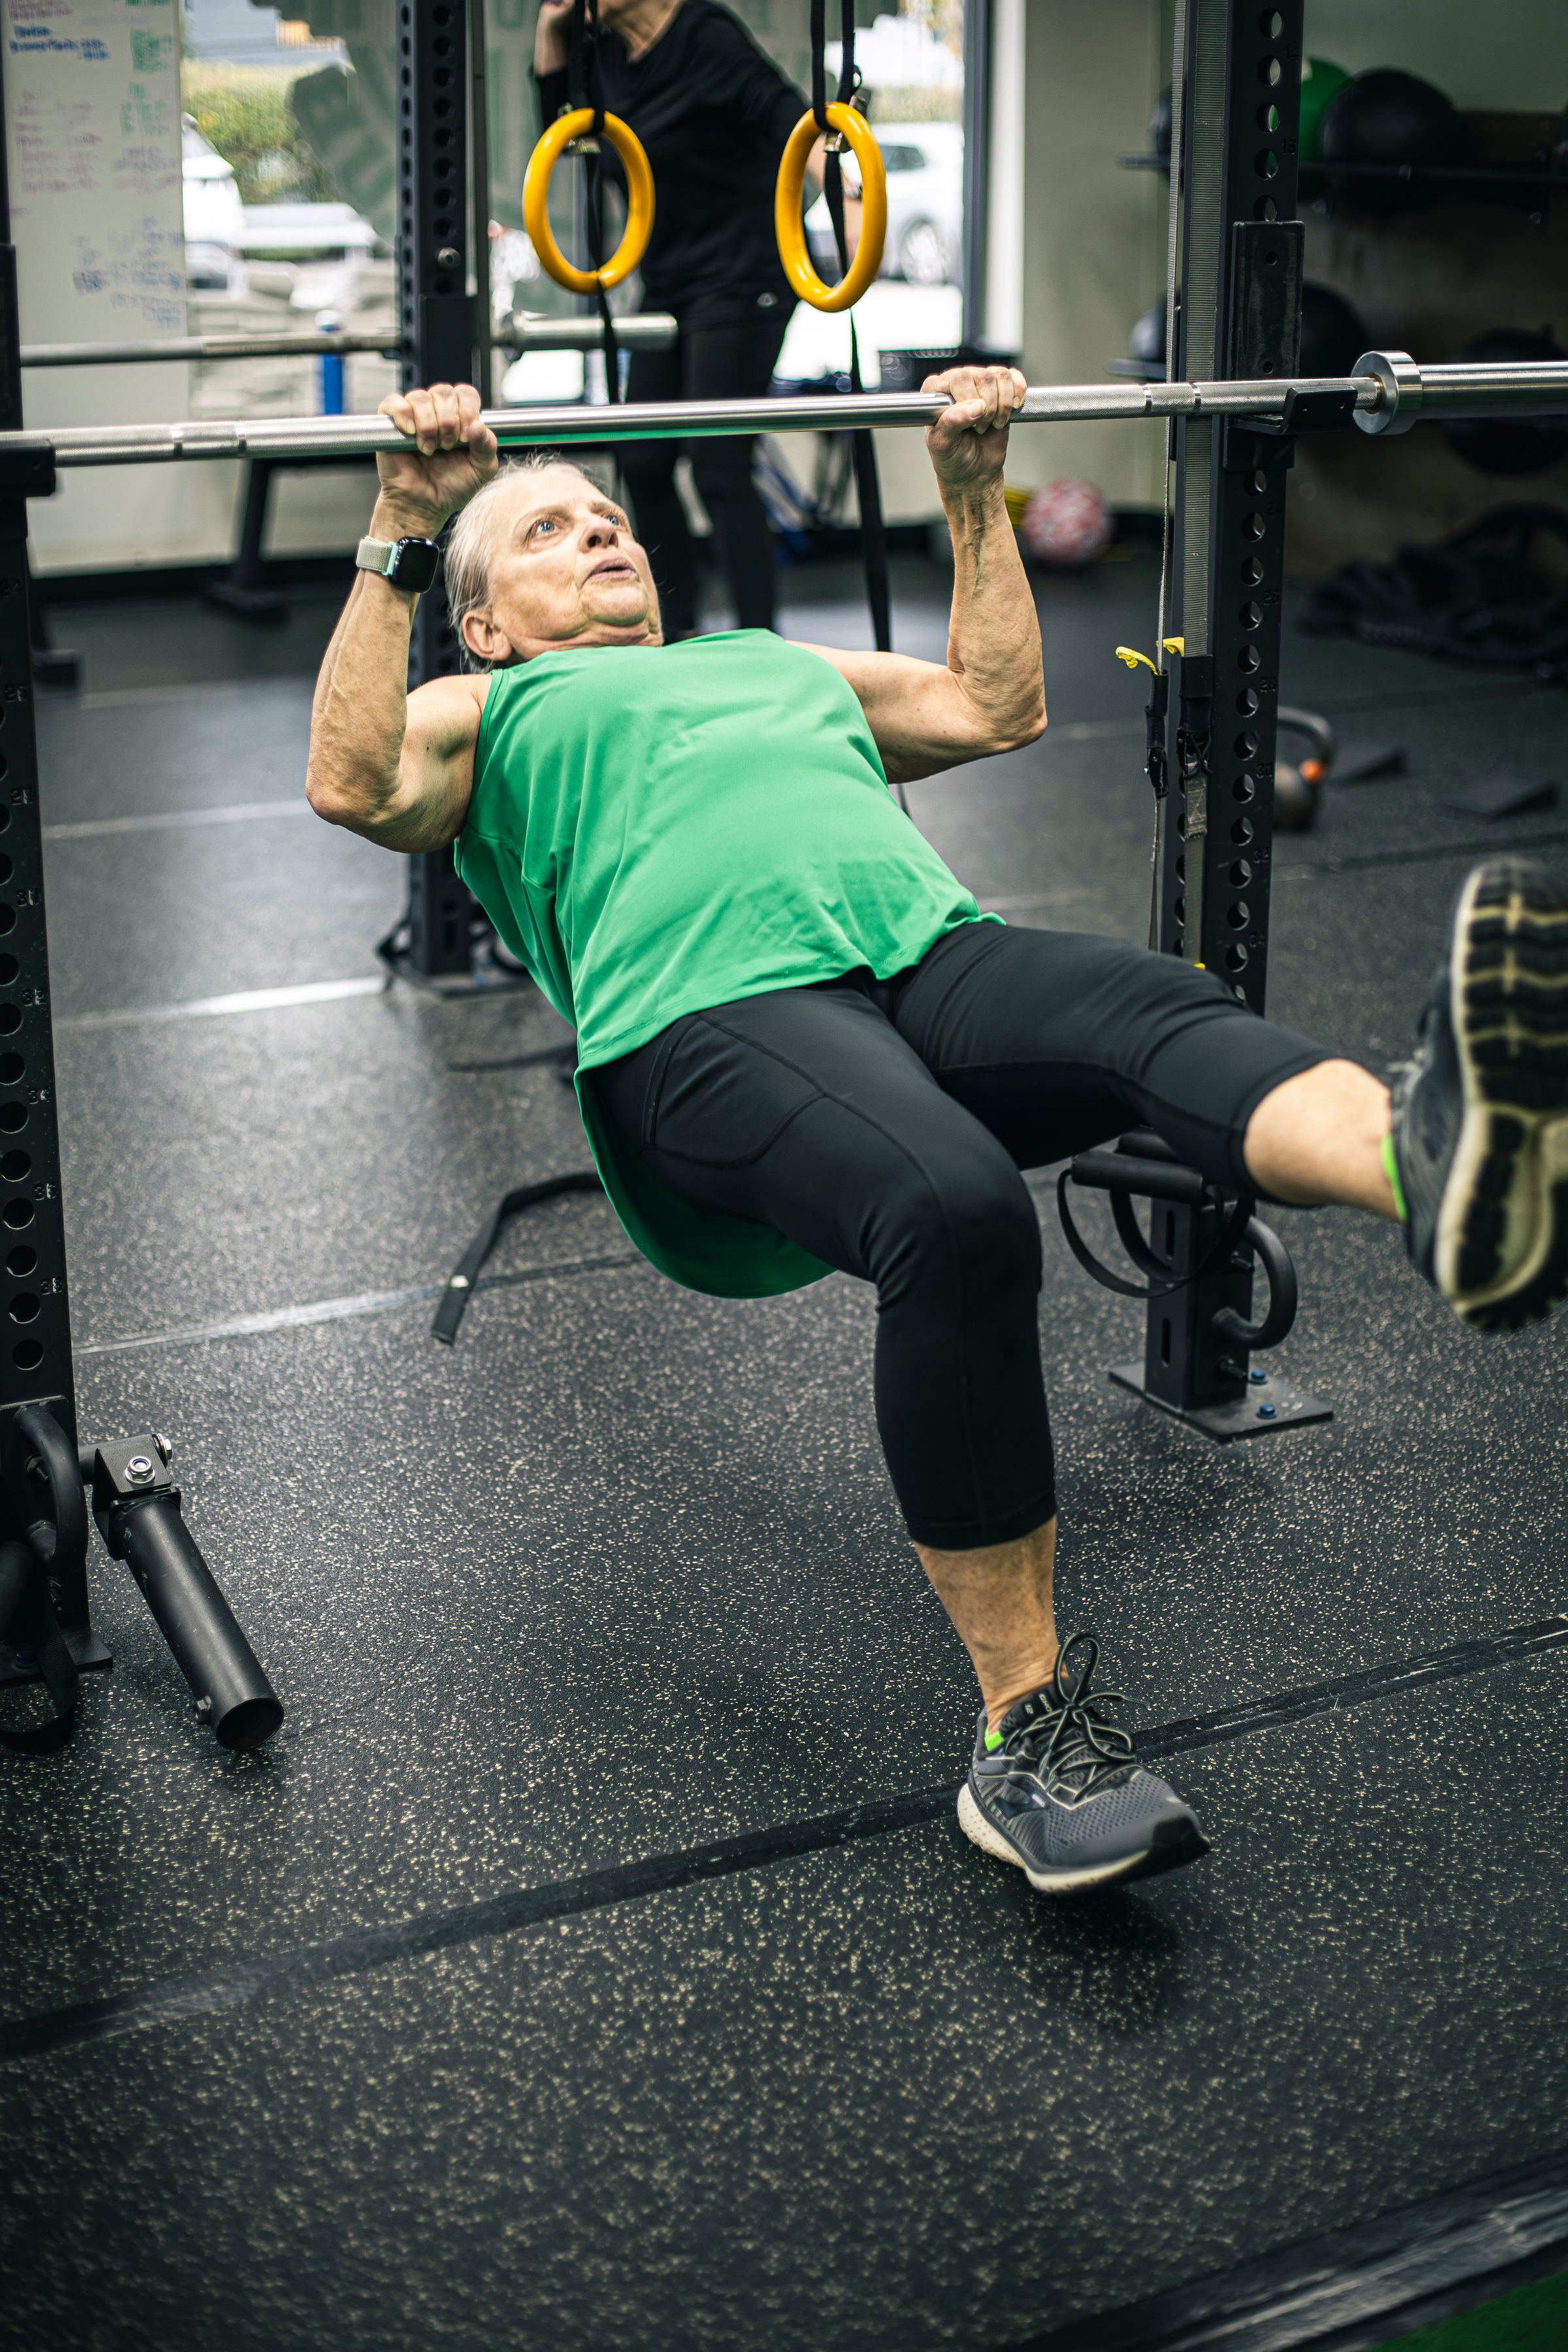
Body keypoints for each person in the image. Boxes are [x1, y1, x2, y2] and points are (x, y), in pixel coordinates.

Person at [308, 372, 1568, 1898]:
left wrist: (973, 491)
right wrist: (398, 524)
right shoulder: (484, 706)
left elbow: (990, 705)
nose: (600, 541)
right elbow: (351, 780)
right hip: (708, 1020)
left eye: (610, 523)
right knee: (953, 1207)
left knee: (1155, 1004)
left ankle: (1428, 1172)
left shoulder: (767, 663)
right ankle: (1026, 1734)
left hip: (923, 957)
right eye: (546, 534)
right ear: (488, 620)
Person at [532, 0, 832, 638]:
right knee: (641, 461)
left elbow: (791, 122)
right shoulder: (604, 55)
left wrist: (855, 201)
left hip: (746, 274)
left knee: (717, 464)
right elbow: (558, 128)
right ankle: (673, 633)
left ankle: (759, 645)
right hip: (669, 282)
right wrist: (551, 25)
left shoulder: (705, 36)